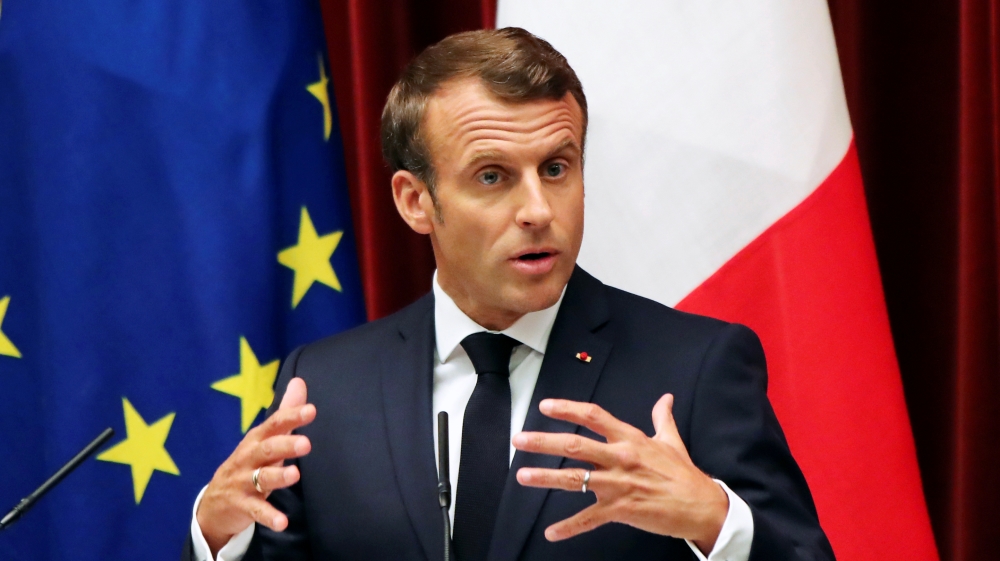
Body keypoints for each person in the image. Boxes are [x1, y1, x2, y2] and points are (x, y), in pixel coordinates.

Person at [185, 27, 834, 561]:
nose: (537, 209)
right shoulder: (325, 385)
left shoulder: (692, 369)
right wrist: (215, 537)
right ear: (416, 200)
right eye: (492, 176)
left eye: (557, 167)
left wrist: (718, 523)